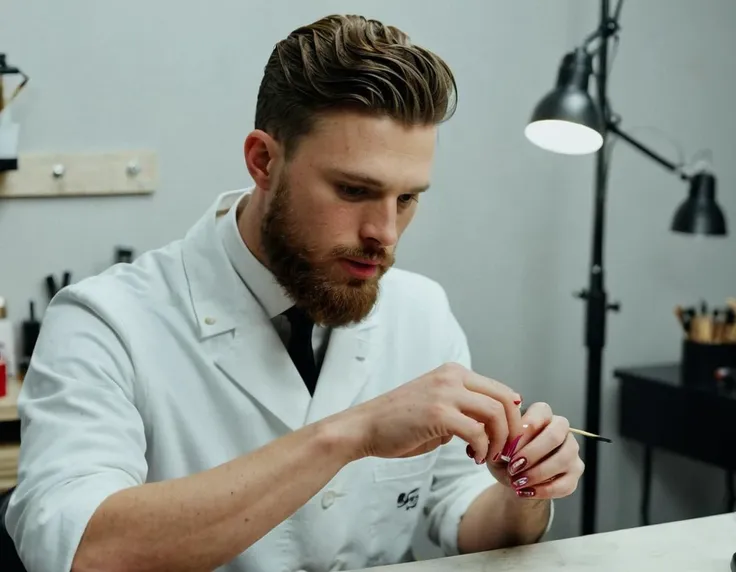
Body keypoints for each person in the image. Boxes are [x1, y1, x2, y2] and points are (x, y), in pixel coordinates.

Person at [5, 14, 584, 572]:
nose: (383, 233)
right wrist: (352, 433)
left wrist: (524, 495)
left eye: (406, 199)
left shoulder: (421, 312)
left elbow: (459, 511)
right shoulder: (106, 322)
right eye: (355, 190)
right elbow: (81, 551)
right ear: (263, 161)